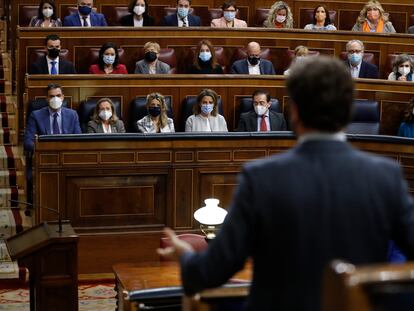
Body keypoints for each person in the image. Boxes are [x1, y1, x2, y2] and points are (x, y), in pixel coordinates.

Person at [158, 56, 414, 310]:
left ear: (294, 111)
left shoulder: (260, 177)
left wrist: (186, 258)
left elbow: (214, 270)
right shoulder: (386, 176)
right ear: (348, 111)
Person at [24, 83, 81, 151]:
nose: (55, 99)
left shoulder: (72, 115)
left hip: (67, 153)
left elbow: (79, 139)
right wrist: (42, 150)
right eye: (52, 96)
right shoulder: (36, 115)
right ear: (47, 98)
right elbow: (28, 141)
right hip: (45, 154)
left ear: (63, 97)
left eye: (58, 95)